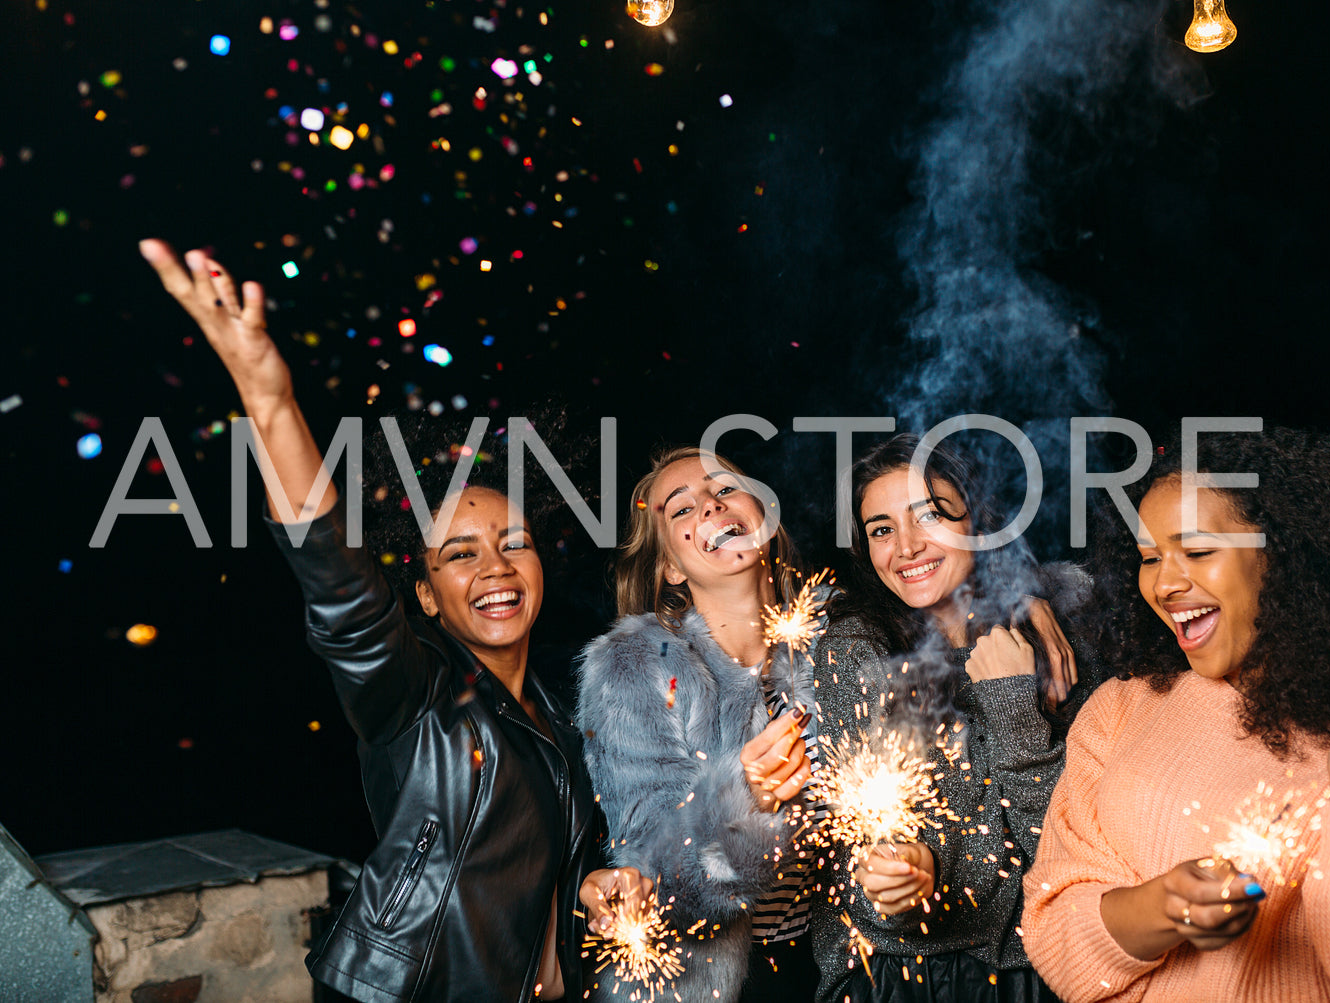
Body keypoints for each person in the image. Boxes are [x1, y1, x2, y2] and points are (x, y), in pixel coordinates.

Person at [139, 239, 646, 1003]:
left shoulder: (559, 714)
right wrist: (266, 398)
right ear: (427, 597)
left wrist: (590, 887)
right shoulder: (415, 691)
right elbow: (338, 586)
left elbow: (531, 867)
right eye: (461, 555)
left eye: (515, 545)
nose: (497, 568)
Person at [1021, 425, 1330, 1002]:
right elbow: (1052, 935)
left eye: (1197, 551)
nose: (1166, 583)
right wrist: (1162, 909)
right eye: (1150, 558)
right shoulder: (1119, 709)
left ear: (1285, 557)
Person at [809, 432, 1089, 1002]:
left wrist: (1014, 705)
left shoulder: (1056, 633)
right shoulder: (854, 652)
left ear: (978, 522)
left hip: (1042, 967)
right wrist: (907, 876)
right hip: (896, 975)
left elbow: (1068, 854)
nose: (907, 546)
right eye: (882, 529)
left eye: (930, 515)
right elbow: (867, 878)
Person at [575, 446, 825, 1002]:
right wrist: (745, 800)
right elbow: (659, 878)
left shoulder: (838, 639)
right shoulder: (634, 668)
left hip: (840, 969)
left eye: (724, 489)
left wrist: (1029, 601)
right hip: (711, 985)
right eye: (681, 509)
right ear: (669, 566)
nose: (710, 506)